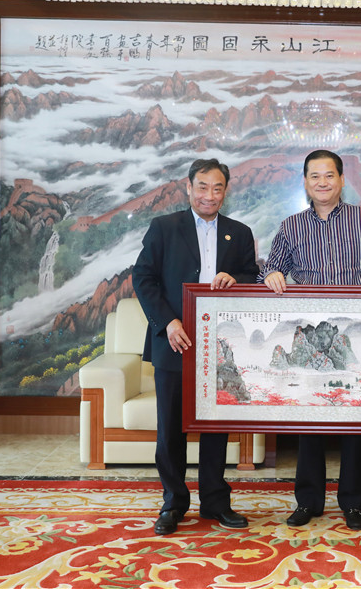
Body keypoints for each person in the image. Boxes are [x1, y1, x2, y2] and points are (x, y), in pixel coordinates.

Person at [259, 149, 361, 531]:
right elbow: (270, 270)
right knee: (309, 418)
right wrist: (272, 276)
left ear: (341, 180)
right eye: (314, 176)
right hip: (311, 331)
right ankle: (308, 501)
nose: (322, 182)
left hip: (352, 329)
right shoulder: (291, 226)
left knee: (354, 419)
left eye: (329, 175)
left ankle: (354, 503)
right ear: (305, 183)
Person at [133, 158, 259, 535]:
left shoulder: (239, 232)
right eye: (202, 187)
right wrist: (167, 322)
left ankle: (215, 502)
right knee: (171, 430)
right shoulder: (164, 227)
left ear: (225, 191)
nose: (209, 195)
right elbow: (143, 277)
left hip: (218, 346)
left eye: (217, 188)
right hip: (175, 341)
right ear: (188, 188)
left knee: (216, 427)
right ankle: (173, 503)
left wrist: (234, 279)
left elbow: (251, 276)